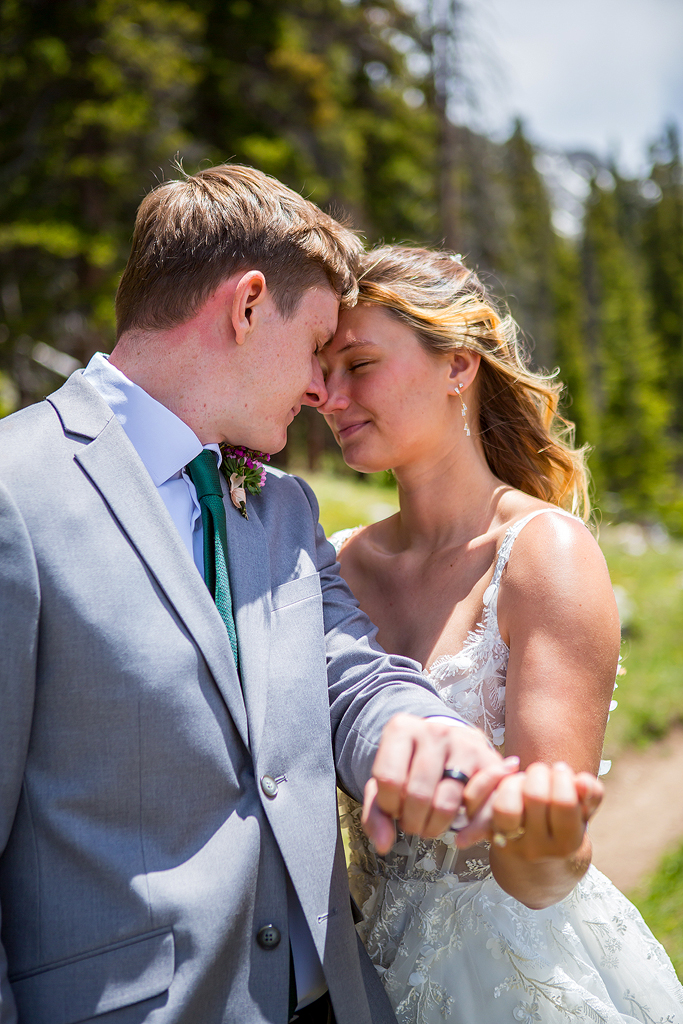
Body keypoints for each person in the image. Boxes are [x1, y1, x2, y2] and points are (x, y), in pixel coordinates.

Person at [0, 170, 507, 1024]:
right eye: (315, 347)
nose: (321, 391)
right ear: (245, 307)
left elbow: (347, 673)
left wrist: (418, 734)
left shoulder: (280, 505)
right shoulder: (16, 489)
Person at [319, 245, 683, 1023]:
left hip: (515, 982)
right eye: (322, 368)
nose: (327, 394)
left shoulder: (542, 556)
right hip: (361, 981)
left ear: (456, 365)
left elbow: (548, 872)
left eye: (357, 364)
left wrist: (542, 836)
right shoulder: (334, 565)